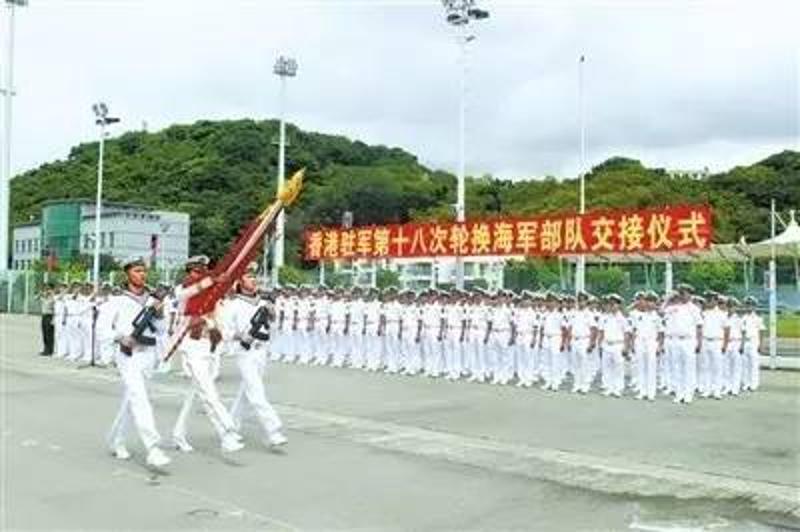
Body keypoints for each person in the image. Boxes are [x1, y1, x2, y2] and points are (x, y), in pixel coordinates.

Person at [171, 255, 244, 454]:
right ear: (189, 272)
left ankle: (178, 434)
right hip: (192, 346)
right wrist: (210, 280)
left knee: (197, 394)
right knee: (209, 393)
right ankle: (227, 431)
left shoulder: (212, 297)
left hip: (209, 347)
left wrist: (215, 329)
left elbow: (218, 321)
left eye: (202, 271)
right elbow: (187, 294)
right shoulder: (183, 290)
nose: (198, 275)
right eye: (195, 271)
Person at [104, 256, 171, 468]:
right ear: (127, 274)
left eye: (143, 271)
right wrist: (120, 337)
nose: (141, 275)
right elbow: (103, 328)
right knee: (140, 399)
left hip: (148, 354)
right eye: (136, 271)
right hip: (129, 355)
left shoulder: (153, 299)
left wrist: (159, 315)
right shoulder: (117, 299)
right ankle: (153, 447)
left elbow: (161, 330)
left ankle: (117, 440)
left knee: (133, 400)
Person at [224, 263, 288, 447]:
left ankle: (230, 426)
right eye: (249, 276)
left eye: (254, 276)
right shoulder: (233, 304)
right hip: (245, 352)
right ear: (240, 282)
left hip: (262, 351)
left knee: (246, 392)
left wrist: (273, 314)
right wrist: (242, 336)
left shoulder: (262, 302)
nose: (254, 280)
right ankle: (273, 430)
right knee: (256, 392)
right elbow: (226, 331)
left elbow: (272, 327)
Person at [741, 296, 765, 392]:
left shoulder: (758, 318)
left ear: (754, 306)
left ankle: (754, 383)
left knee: (754, 364)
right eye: (747, 305)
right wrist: (741, 344)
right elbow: (742, 332)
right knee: (745, 364)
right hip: (745, 342)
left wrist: (761, 344)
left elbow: (761, 332)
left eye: (751, 305)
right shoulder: (743, 318)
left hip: (754, 341)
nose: (749, 307)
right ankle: (746, 383)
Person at [39, 284, 55, 356]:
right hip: (44, 316)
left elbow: (55, 309)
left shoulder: (53, 298)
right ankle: (45, 349)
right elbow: (35, 298)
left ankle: (50, 350)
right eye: (45, 289)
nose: (46, 291)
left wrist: (52, 294)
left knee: (50, 335)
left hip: (50, 316)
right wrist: (41, 293)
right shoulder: (43, 298)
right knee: (44, 334)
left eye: (48, 289)